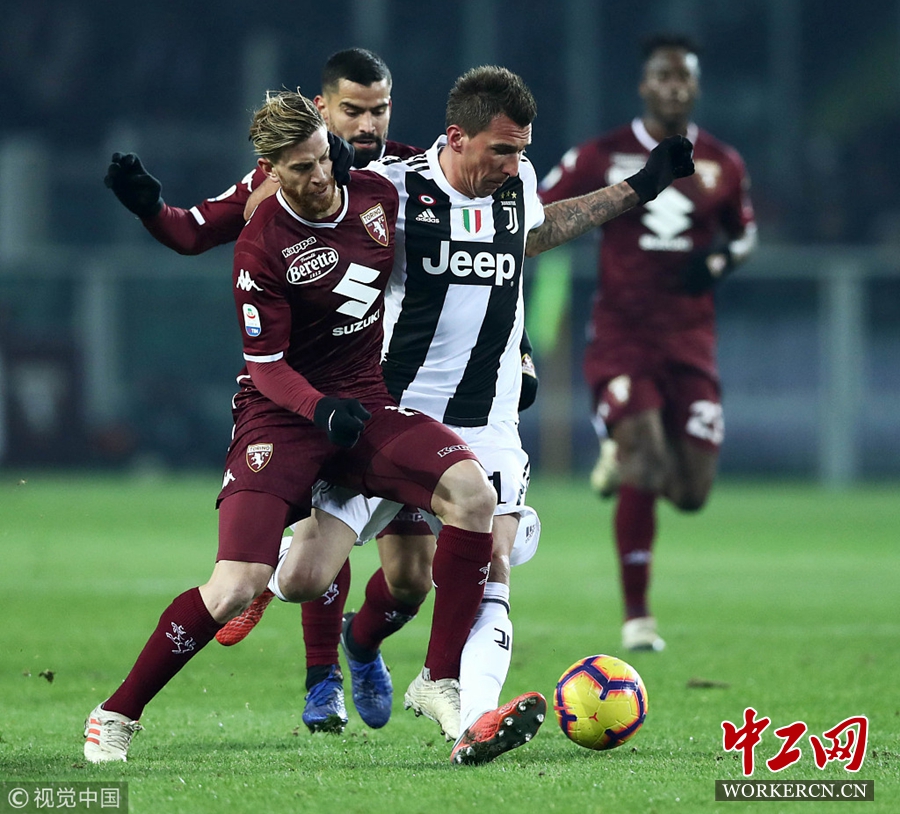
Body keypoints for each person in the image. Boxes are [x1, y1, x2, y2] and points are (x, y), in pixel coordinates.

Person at [244, 65, 694, 765]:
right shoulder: (391, 192)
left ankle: (473, 719)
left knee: (492, 562)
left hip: (487, 422)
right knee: (328, 577)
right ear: (456, 137)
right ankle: (279, 591)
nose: (515, 165)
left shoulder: (515, 182)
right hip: (393, 415)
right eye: (501, 150)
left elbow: (536, 231)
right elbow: (293, 232)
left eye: (521, 151)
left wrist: (642, 186)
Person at [104, 48, 539, 736]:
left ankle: (389, 660)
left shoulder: (397, 177)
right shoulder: (266, 214)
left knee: (414, 573)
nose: (367, 126)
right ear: (322, 113)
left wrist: (517, 345)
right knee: (280, 571)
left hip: (377, 398)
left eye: (380, 110)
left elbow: (481, 264)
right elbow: (195, 236)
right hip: (293, 404)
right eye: (352, 112)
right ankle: (311, 672)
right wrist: (154, 210)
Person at [538, 33, 757, 652]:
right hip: (622, 336)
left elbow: (745, 235)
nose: (673, 87)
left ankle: (620, 452)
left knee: (690, 493)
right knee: (646, 457)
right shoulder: (602, 154)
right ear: (644, 85)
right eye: (663, 76)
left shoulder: (723, 163)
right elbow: (538, 211)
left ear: (696, 86)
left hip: (690, 341)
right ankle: (638, 618)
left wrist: (719, 262)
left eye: (683, 77)